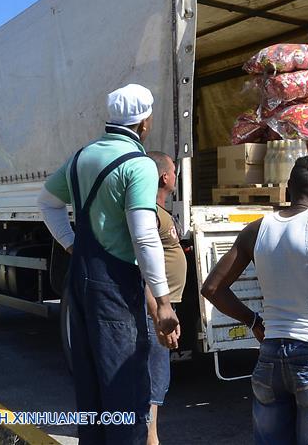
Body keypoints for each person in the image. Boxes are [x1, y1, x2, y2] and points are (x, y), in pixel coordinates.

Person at [38, 84, 179, 444]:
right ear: (144, 122)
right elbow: (144, 236)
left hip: (80, 281)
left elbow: (47, 202)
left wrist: (71, 243)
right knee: (124, 388)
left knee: (91, 387)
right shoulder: (139, 165)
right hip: (114, 287)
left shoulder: (82, 157)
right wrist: (162, 302)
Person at [201, 156, 308, 445]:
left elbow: (213, 288)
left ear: (289, 188)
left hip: (271, 356)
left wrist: (253, 321)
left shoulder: (256, 229)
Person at [144, 152, 187, 445]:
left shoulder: (160, 213)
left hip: (163, 307)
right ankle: (150, 438)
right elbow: (142, 270)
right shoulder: (149, 214)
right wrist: (159, 311)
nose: (176, 174)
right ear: (164, 178)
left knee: (158, 376)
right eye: (174, 170)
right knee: (153, 378)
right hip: (155, 311)